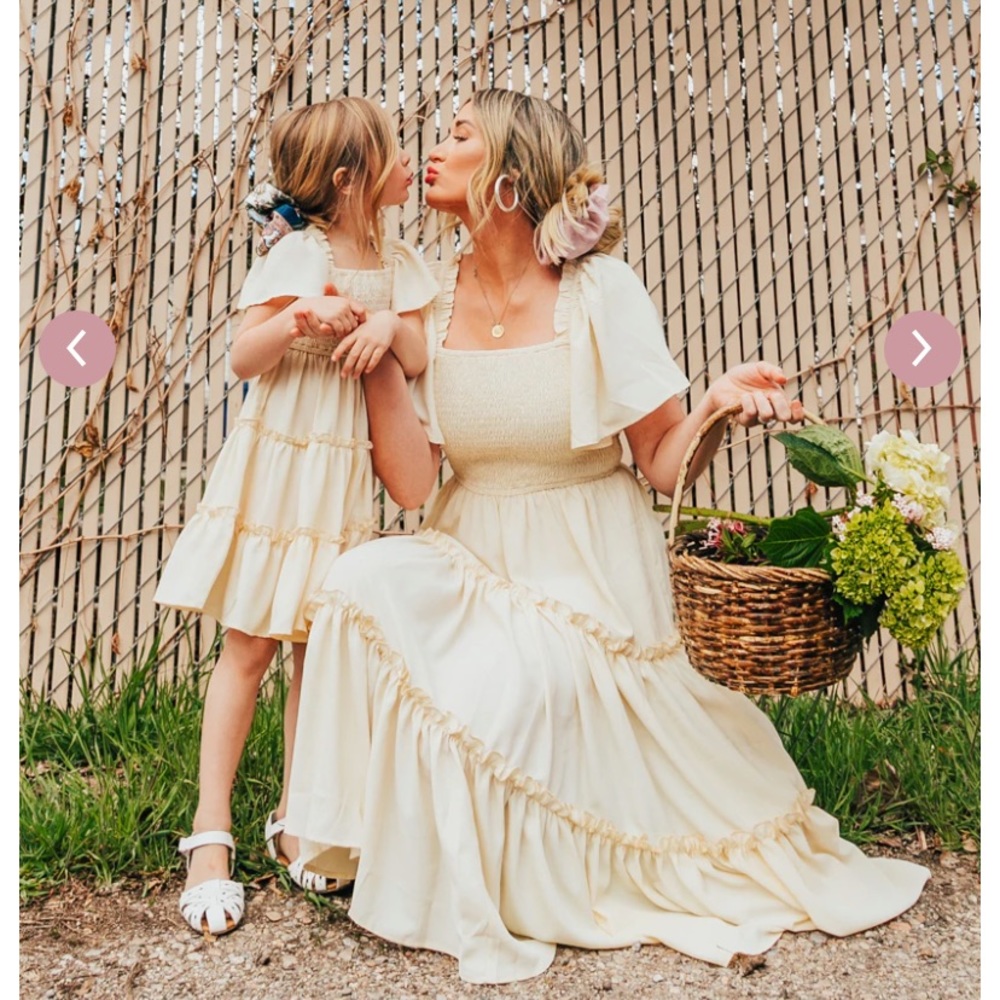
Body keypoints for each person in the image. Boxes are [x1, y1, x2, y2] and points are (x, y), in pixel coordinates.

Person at [284, 89, 929, 983]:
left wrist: (711, 405)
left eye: (458, 137)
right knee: (356, 584)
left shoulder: (598, 292)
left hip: (588, 570)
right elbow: (412, 484)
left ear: (508, 179)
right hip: (470, 545)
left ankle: (527, 875)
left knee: (514, 696)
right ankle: (347, 841)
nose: (431, 151)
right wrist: (380, 356)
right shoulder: (425, 301)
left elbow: (662, 463)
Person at [154, 97, 438, 936]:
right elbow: (244, 354)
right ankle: (211, 835)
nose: (405, 168)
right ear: (351, 181)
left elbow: (419, 353)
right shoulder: (297, 255)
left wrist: (386, 322)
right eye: (392, 157)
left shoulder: (400, 261)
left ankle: (298, 820)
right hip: (280, 469)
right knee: (248, 647)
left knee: (318, 649)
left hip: (343, 475)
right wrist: (298, 316)